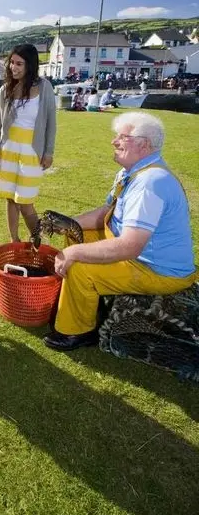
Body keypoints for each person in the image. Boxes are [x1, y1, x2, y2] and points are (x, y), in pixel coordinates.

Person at [44, 112, 197, 351]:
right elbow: (107, 212)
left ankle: (78, 332)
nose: (114, 141)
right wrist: (70, 222)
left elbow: (129, 246)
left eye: (122, 137)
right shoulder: (134, 172)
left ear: (143, 144)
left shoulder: (149, 183)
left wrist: (74, 253)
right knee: (75, 235)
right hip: (139, 255)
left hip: (156, 269)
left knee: (80, 267)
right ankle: (87, 303)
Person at [0, 43, 56, 241]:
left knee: (26, 202)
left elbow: (51, 122)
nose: (13, 67)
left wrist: (49, 152)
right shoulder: (5, 89)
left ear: (30, 65)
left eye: (19, 63)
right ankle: (14, 240)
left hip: (32, 150)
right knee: (10, 198)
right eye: (12, 62)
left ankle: (36, 240)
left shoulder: (44, 87)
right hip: (8, 149)